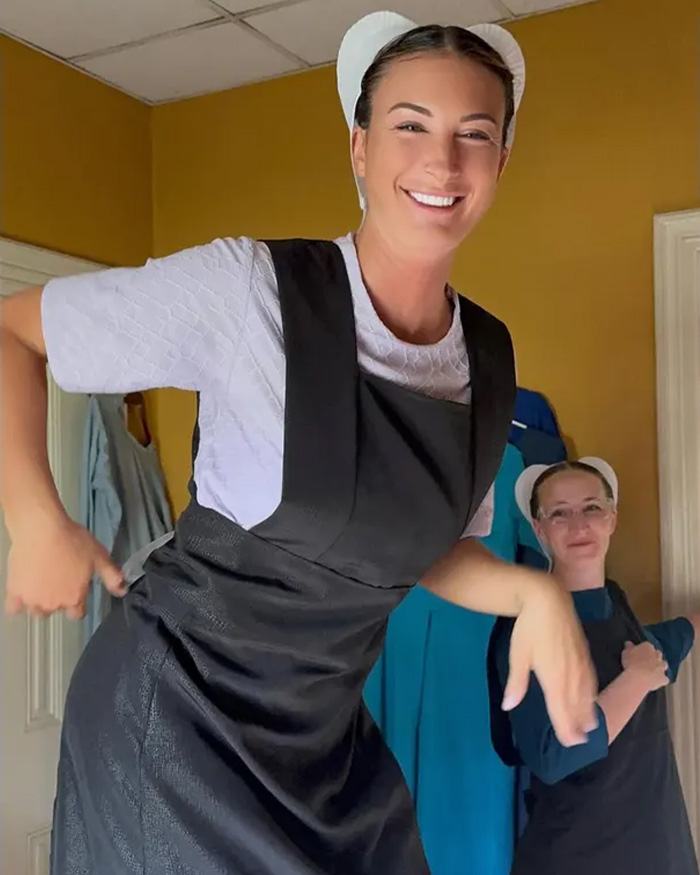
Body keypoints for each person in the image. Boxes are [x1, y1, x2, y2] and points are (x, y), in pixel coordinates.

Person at [0, 12, 597, 875]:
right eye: (409, 126)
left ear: (502, 160)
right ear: (359, 148)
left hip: (323, 742)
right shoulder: (253, 292)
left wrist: (534, 596)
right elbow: (15, 332)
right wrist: (37, 519)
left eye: (475, 133)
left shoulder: (488, 358)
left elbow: (425, 553)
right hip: (179, 718)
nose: (442, 161)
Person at [489, 458, 699, 875]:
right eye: (559, 513)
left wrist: (655, 660)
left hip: (660, 849)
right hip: (579, 855)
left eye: (591, 508)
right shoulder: (525, 627)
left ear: (612, 520)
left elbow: (668, 643)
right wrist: (635, 681)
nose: (579, 524)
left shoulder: (621, 610)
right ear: (539, 529)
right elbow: (551, 757)